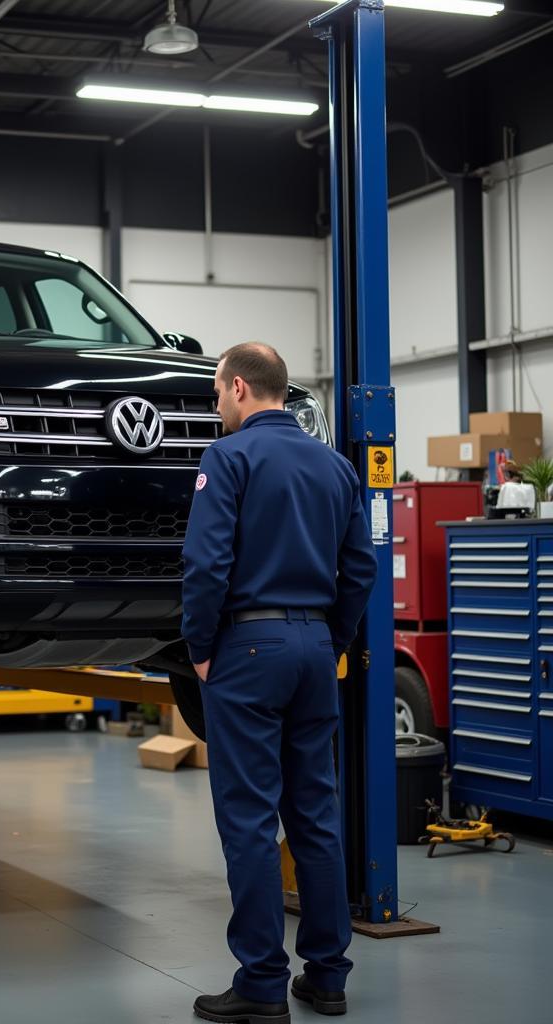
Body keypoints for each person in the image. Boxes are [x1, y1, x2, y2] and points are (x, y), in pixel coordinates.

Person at [181, 342, 377, 1024]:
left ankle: (263, 983)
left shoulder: (227, 458)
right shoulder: (336, 466)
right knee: (316, 816)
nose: (216, 408)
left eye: (215, 395)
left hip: (247, 648)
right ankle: (327, 977)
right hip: (315, 648)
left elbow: (206, 565)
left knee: (249, 821)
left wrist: (200, 648)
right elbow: (361, 568)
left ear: (239, 387)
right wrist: (335, 640)